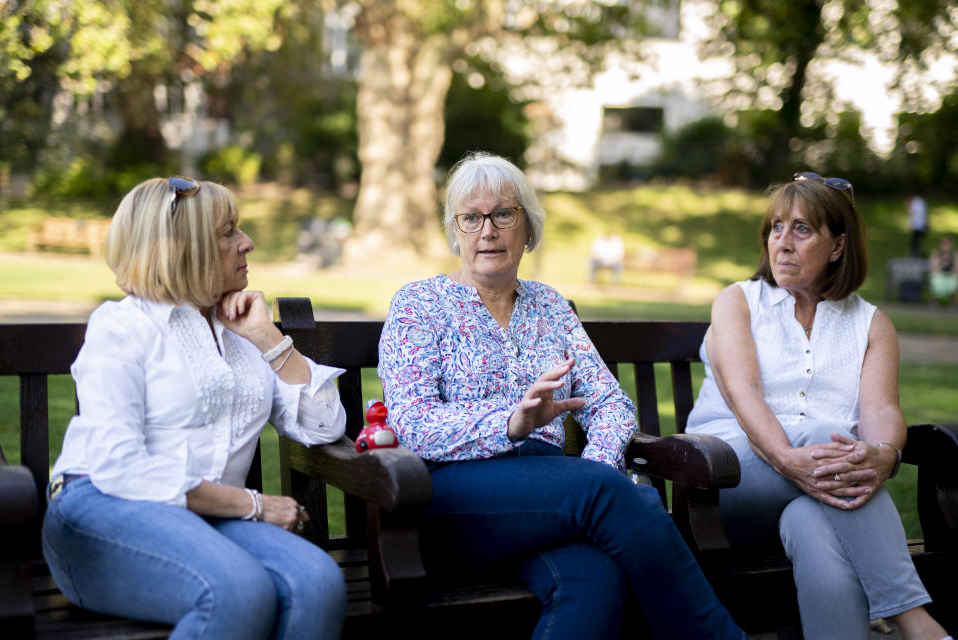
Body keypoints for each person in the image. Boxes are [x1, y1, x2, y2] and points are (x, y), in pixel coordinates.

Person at [377, 152, 746, 640]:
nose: (487, 230)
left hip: (553, 500)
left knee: (594, 580)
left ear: (528, 229)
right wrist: (509, 423)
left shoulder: (550, 306)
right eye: (471, 218)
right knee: (614, 494)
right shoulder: (419, 304)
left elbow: (610, 403)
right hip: (450, 496)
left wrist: (594, 464)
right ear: (455, 231)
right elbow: (411, 423)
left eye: (503, 214)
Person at [41, 177, 348, 640]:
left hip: (205, 521)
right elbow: (119, 468)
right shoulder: (123, 327)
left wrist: (268, 339)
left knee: (318, 583)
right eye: (228, 232)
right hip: (101, 509)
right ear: (183, 247)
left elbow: (324, 426)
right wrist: (252, 504)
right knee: (238, 591)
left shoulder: (240, 334)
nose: (247, 243)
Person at [686, 171, 951, 640]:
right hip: (724, 480)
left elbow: (882, 413)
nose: (783, 242)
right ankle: (915, 620)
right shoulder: (738, 302)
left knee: (813, 519)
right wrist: (789, 460)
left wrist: (884, 453)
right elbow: (742, 391)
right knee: (823, 439)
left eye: (802, 229)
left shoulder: (871, 323)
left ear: (837, 246)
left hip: (819, 490)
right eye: (776, 228)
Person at [929, 235, 958, 309]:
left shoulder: (954, 254)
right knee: (936, 278)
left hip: (950, 275)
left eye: (948, 244)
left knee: (954, 280)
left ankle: (953, 303)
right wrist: (942, 265)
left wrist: (952, 271)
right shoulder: (937, 253)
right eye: (945, 244)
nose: (946, 246)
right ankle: (934, 302)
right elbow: (934, 266)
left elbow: (956, 267)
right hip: (940, 274)